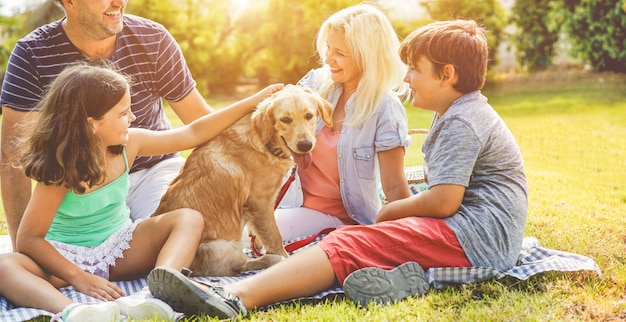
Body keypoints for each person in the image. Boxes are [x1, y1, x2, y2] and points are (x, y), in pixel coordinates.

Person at [147, 19, 529, 319]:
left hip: (477, 239)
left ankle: (233, 298)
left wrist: (391, 211)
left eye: (415, 70)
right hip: (473, 233)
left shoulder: (460, 122)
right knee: (372, 243)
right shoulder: (460, 114)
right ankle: (402, 279)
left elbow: (444, 201)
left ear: (447, 75)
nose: (407, 78)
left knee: (345, 243)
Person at [0, 63, 283, 321]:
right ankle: (75, 312)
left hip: (119, 249)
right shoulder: (59, 169)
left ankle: (157, 295)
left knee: (188, 218)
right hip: (66, 256)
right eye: (123, 113)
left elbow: (193, 133)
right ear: (92, 124)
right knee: (5, 266)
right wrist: (78, 277)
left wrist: (252, 102)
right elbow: (28, 238)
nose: (133, 117)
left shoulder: (130, 144)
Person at [0, 0, 213, 252]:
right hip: (82, 184)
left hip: (153, 170)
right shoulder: (32, 53)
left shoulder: (153, 38)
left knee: (177, 243)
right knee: (67, 255)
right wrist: (23, 249)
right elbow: (11, 156)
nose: (119, 2)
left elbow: (199, 123)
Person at [274, 3, 411, 241]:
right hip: (289, 201)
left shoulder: (384, 108)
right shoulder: (315, 83)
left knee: (244, 230)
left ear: (367, 55)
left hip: (341, 218)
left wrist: (409, 237)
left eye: (340, 53)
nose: (328, 59)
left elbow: (395, 187)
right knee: (225, 215)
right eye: (328, 48)